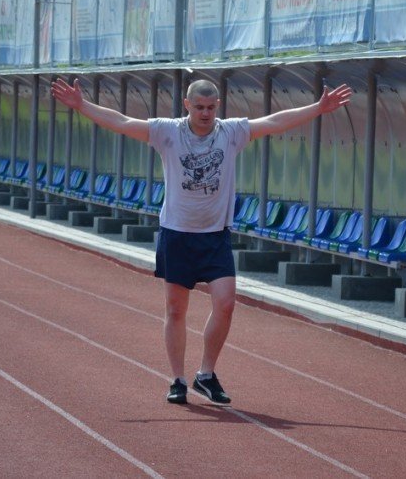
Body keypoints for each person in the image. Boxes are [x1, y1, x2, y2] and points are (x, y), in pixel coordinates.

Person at [51, 77, 353, 405]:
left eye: (210, 107)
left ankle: (206, 374)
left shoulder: (231, 132)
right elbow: (123, 122)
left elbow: (274, 122)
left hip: (215, 236)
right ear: (187, 105)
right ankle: (178, 379)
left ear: (218, 106)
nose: (205, 114)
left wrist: (318, 108)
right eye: (199, 107)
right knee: (175, 309)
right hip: (177, 234)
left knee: (225, 303)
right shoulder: (168, 131)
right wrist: (82, 105)